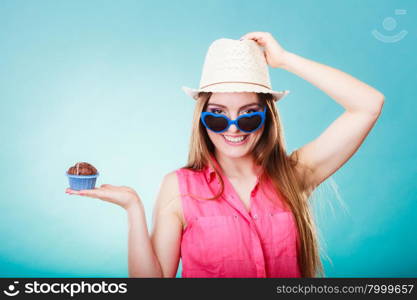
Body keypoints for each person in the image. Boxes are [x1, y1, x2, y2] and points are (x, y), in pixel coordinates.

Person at [66, 32, 384, 278]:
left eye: (248, 115)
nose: (233, 129)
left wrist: (284, 59)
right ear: (202, 121)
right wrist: (133, 207)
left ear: (267, 118)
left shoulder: (295, 174)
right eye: (218, 115)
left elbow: (368, 104)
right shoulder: (178, 188)